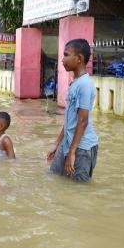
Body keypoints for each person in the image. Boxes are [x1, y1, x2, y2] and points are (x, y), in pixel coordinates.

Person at [46, 38, 98, 182]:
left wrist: (72, 152)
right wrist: (56, 144)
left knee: (79, 190)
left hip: (82, 148)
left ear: (79, 58)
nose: (62, 60)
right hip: (67, 143)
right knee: (54, 177)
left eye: (66, 55)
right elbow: (70, 119)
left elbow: (82, 121)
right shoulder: (74, 83)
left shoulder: (85, 85)